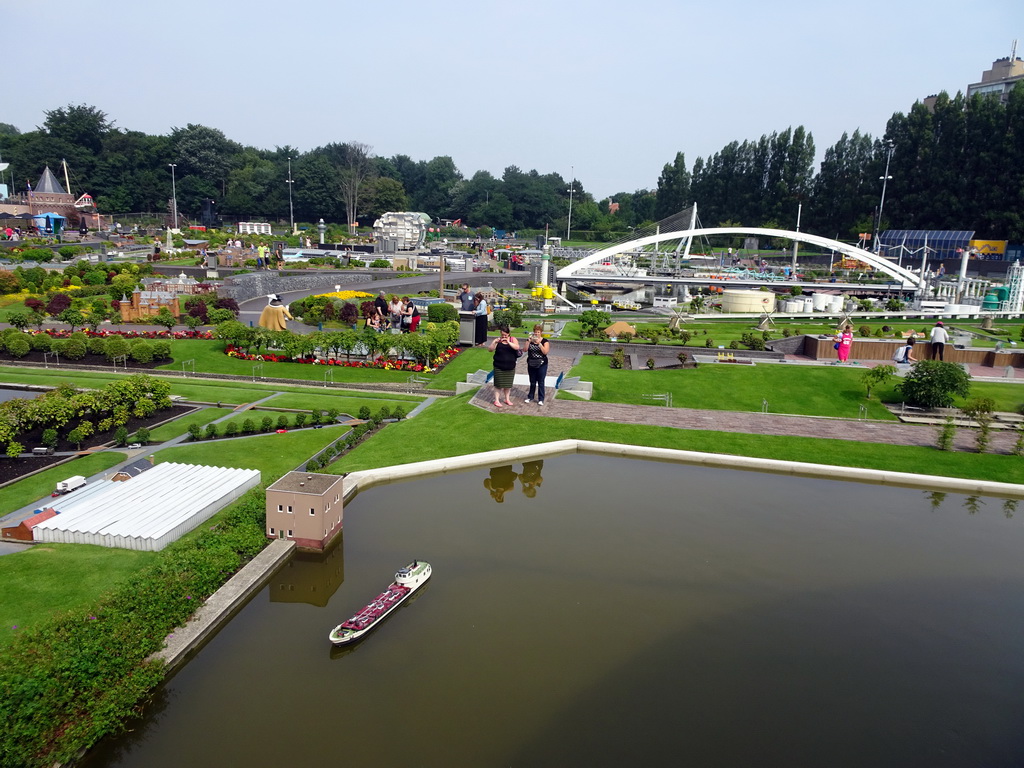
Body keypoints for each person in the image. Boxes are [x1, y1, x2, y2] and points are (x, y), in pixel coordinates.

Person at [488, 324, 519, 407]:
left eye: (505, 335)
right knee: (498, 385)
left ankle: (507, 399)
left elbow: (517, 347)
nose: (504, 336)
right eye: (502, 335)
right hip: (499, 366)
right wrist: (494, 342)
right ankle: (497, 400)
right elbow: (490, 349)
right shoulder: (498, 341)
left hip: (510, 366)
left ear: (508, 334)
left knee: (507, 385)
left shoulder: (513, 339)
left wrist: (508, 342)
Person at [524, 324, 550, 406]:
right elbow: (524, 350)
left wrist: (539, 344)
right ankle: (530, 396)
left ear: (541, 332)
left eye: (538, 332)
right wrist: (528, 341)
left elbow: (545, 352)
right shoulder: (530, 340)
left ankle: (541, 399)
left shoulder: (544, 341)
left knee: (541, 381)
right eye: (535, 332)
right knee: (532, 381)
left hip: (542, 364)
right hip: (532, 363)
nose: (536, 334)